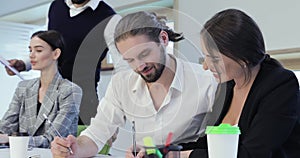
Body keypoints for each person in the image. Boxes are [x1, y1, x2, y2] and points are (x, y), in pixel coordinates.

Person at [50, 11, 218, 158]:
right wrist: (75, 148)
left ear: (164, 39)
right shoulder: (121, 84)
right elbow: (97, 133)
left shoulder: (206, 80)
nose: (139, 66)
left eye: (144, 54)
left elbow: (224, 143)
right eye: (130, 60)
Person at [180, 9, 300, 158]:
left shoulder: (281, 85)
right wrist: (165, 150)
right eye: (205, 57)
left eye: (214, 59)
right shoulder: (227, 86)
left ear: (243, 59)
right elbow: (208, 144)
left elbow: (252, 154)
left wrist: (185, 155)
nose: (205, 66)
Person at [5, 0, 128, 125]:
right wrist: (25, 64)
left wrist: (115, 106)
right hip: (49, 97)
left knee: (74, 143)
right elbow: (49, 47)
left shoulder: (111, 20)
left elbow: (123, 67)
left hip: (82, 103)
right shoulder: (56, 7)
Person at [0, 30, 82, 148]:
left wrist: (9, 139)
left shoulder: (70, 90)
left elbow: (52, 140)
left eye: (38, 50)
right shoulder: (23, 87)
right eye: (30, 50)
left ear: (56, 54)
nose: (31, 55)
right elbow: (5, 128)